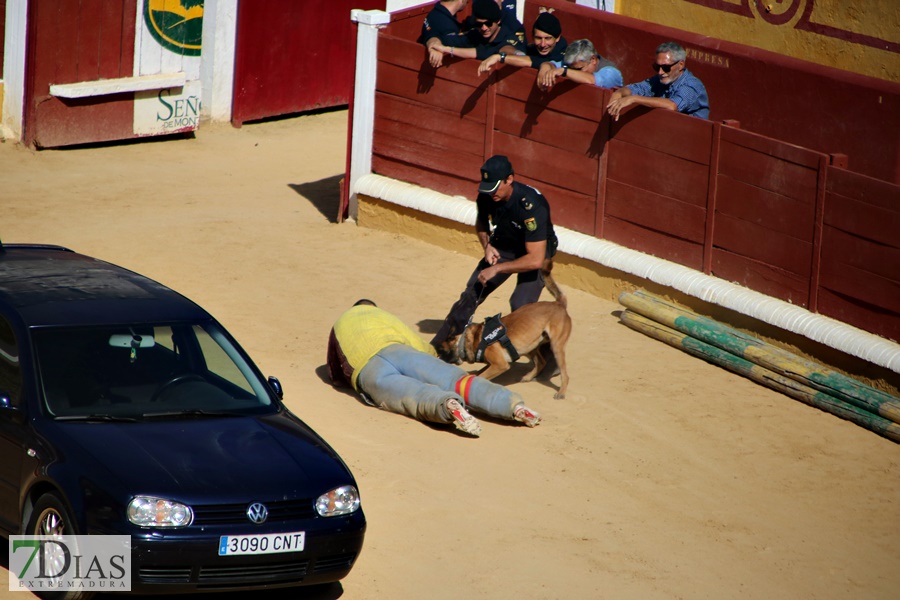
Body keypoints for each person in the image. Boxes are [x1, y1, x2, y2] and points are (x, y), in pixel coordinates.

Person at [327, 299, 542, 437]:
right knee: (454, 380)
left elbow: (334, 373)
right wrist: (432, 361)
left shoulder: (339, 324)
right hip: (399, 350)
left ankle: (447, 405)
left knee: (414, 394)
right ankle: (512, 406)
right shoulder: (382, 316)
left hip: (369, 369)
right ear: (372, 307)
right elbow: (418, 344)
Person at [430, 155, 558, 353]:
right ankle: (442, 346)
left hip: (534, 252)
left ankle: (548, 358)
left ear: (509, 179)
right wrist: (487, 245)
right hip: (504, 245)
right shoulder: (487, 194)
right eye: (487, 187)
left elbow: (535, 259)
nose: (491, 194)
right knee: (472, 293)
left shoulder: (531, 205)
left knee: (522, 306)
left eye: (496, 187)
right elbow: (482, 222)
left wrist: (496, 268)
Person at [606, 41, 709, 120]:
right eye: (657, 67)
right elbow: (638, 88)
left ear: (680, 65)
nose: (660, 72)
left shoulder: (691, 85)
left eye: (665, 68)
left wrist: (633, 99)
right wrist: (619, 93)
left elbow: (672, 105)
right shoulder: (661, 78)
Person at [428, 0, 525, 65]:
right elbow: (440, 37)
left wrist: (447, 49)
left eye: (488, 23)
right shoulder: (475, 34)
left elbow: (520, 55)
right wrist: (434, 47)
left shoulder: (509, 37)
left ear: (498, 21)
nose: (484, 28)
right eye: (479, 24)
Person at [477, 10, 568, 75]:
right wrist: (516, 53)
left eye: (548, 38)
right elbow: (507, 47)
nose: (543, 44)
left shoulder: (565, 55)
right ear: (532, 36)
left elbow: (535, 61)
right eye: (538, 38)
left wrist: (500, 57)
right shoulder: (532, 48)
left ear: (557, 38)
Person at [536, 38, 623, 91]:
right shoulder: (573, 64)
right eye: (571, 68)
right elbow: (553, 64)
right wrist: (545, 67)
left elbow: (592, 80)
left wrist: (564, 71)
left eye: (578, 69)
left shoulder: (611, 72)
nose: (573, 72)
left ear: (593, 60)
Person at [420, 0, 472, 69]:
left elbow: (430, 31)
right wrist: (435, 47)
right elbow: (433, 37)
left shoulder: (436, 11)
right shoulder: (446, 25)